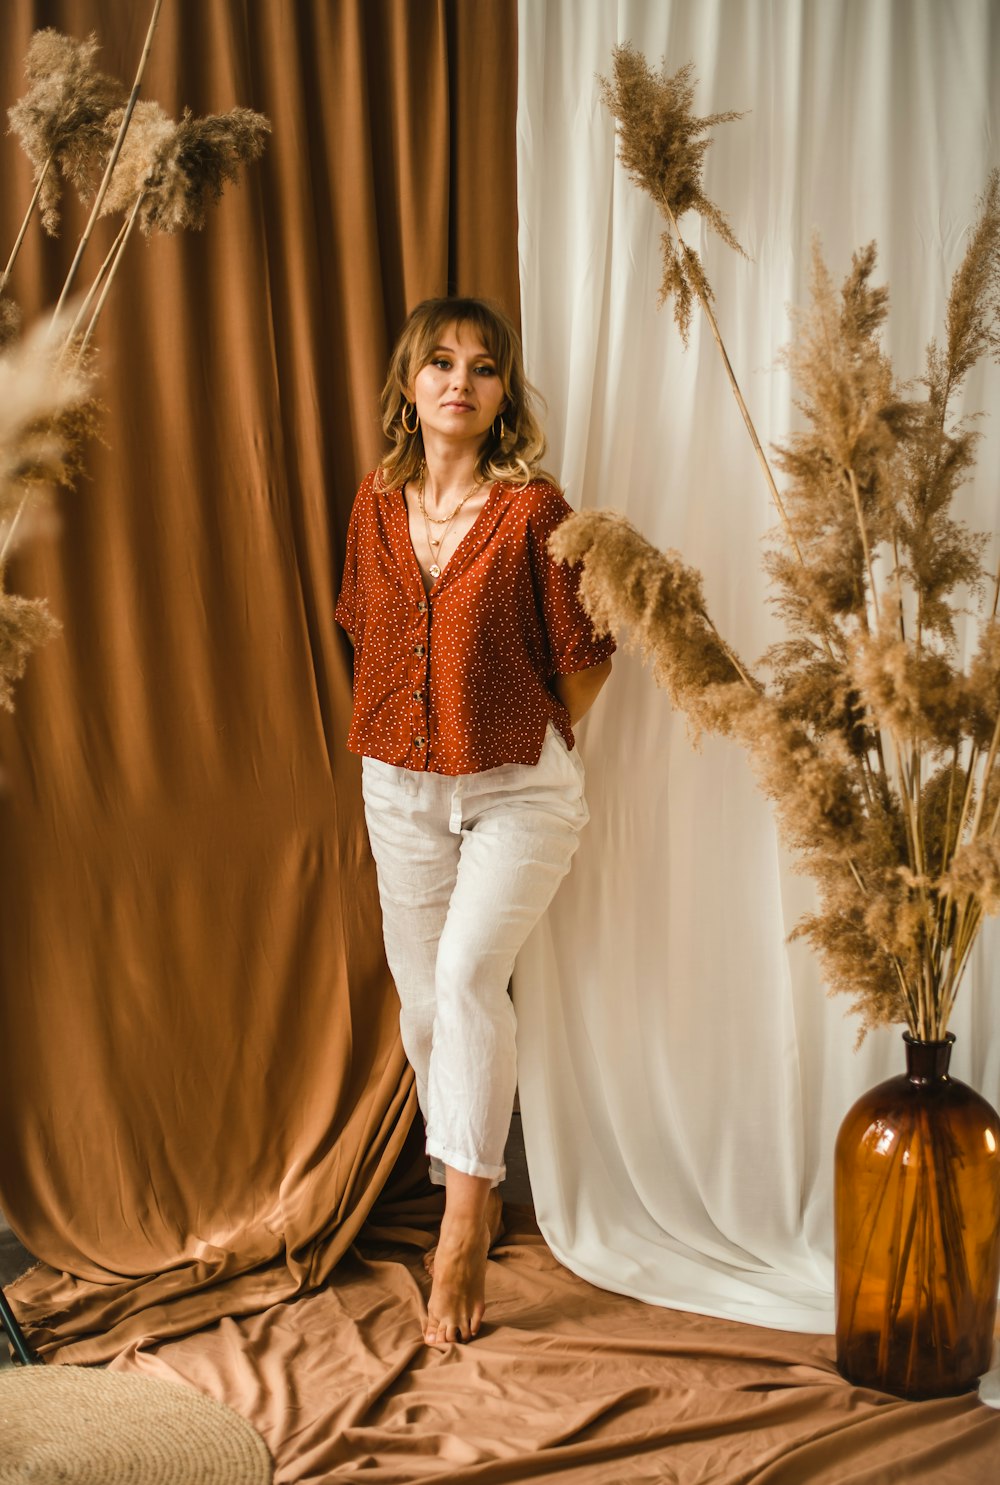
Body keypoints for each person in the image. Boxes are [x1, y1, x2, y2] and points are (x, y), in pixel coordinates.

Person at [335, 297, 613, 1346]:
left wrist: (507, 730)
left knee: (465, 981)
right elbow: (366, 631)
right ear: (409, 383)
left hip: (517, 788)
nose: (461, 380)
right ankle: (477, 1176)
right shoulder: (373, 503)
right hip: (397, 784)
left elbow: (582, 662)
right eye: (440, 362)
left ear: (503, 396)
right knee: (421, 1013)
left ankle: (460, 1226)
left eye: (484, 367)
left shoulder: (534, 508)